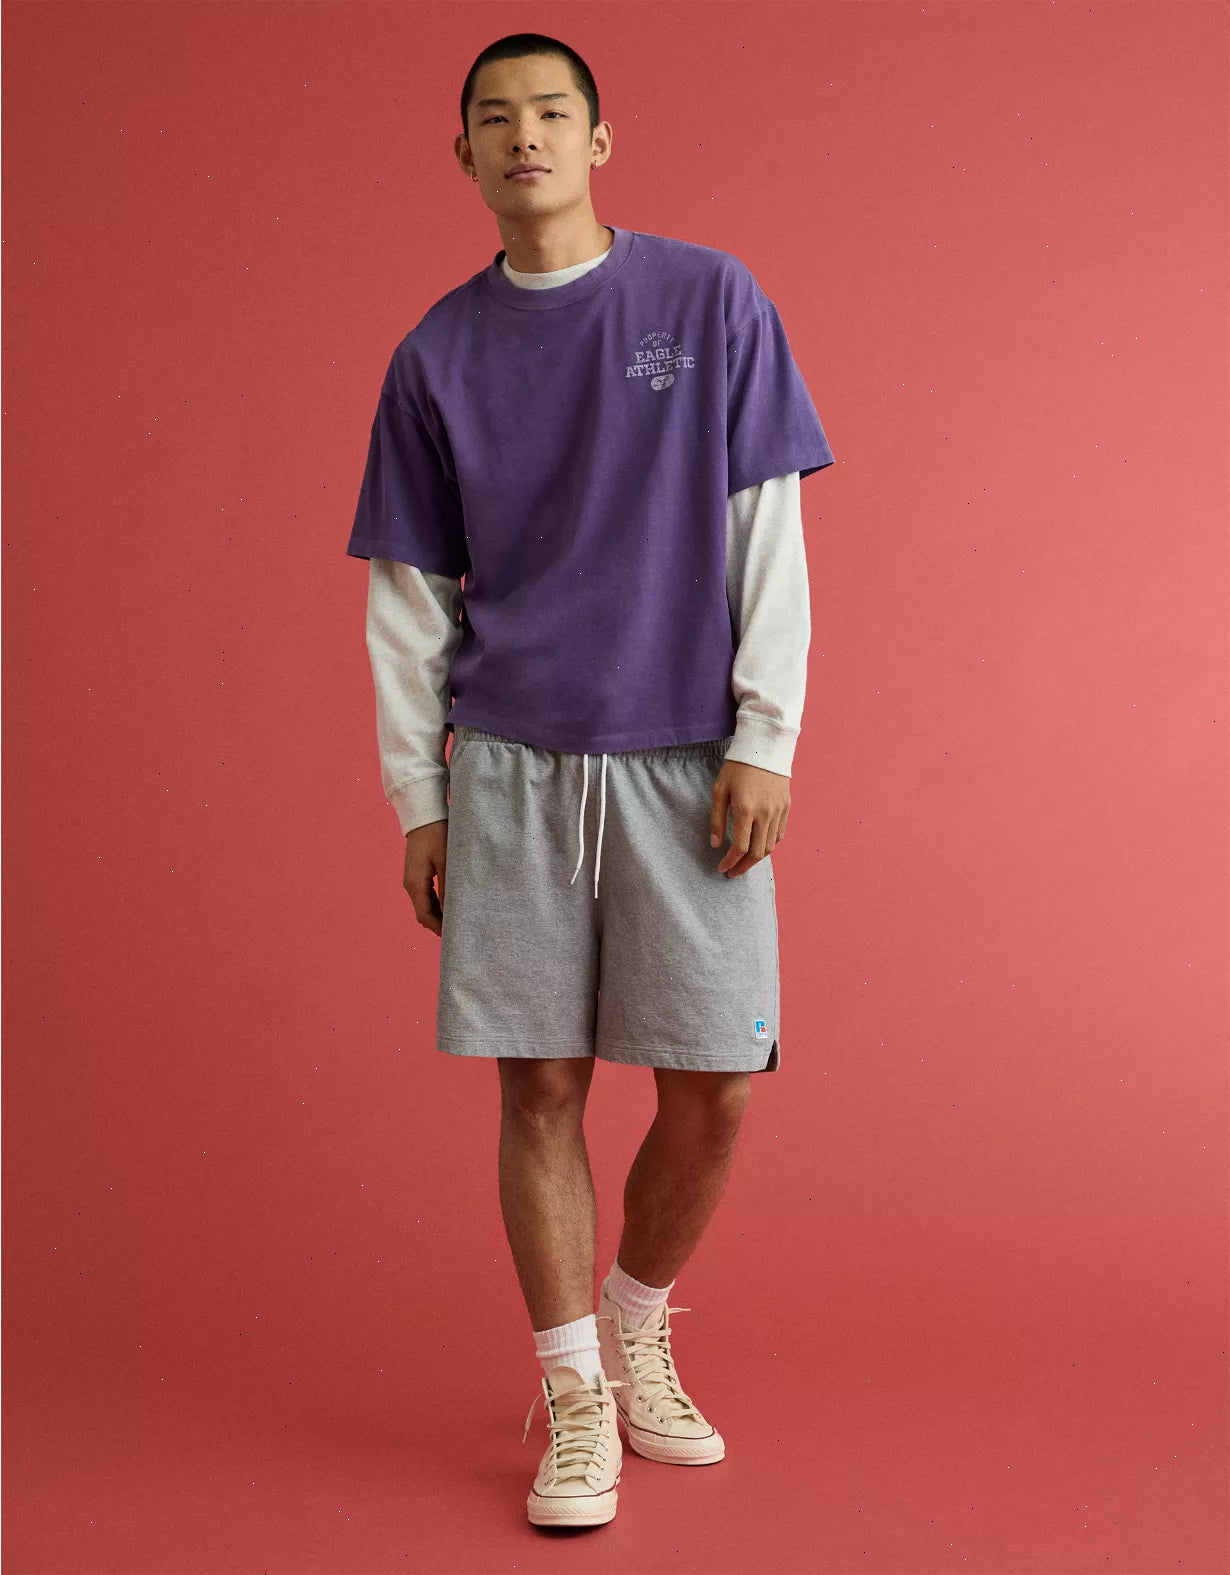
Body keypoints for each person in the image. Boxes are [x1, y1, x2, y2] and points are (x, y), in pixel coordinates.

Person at [347, 33, 836, 1529]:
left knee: (718, 1087)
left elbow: (766, 529)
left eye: (552, 112)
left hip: (686, 755)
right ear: (465, 156)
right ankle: (573, 1399)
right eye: (494, 119)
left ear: (599, 140)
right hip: (510, 764)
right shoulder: (435, 355)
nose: (526, 137)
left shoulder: (708, 299)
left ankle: (634, 1326)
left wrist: (765, 737)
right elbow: (410, 600)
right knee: (542, 1085)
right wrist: (419, 801)